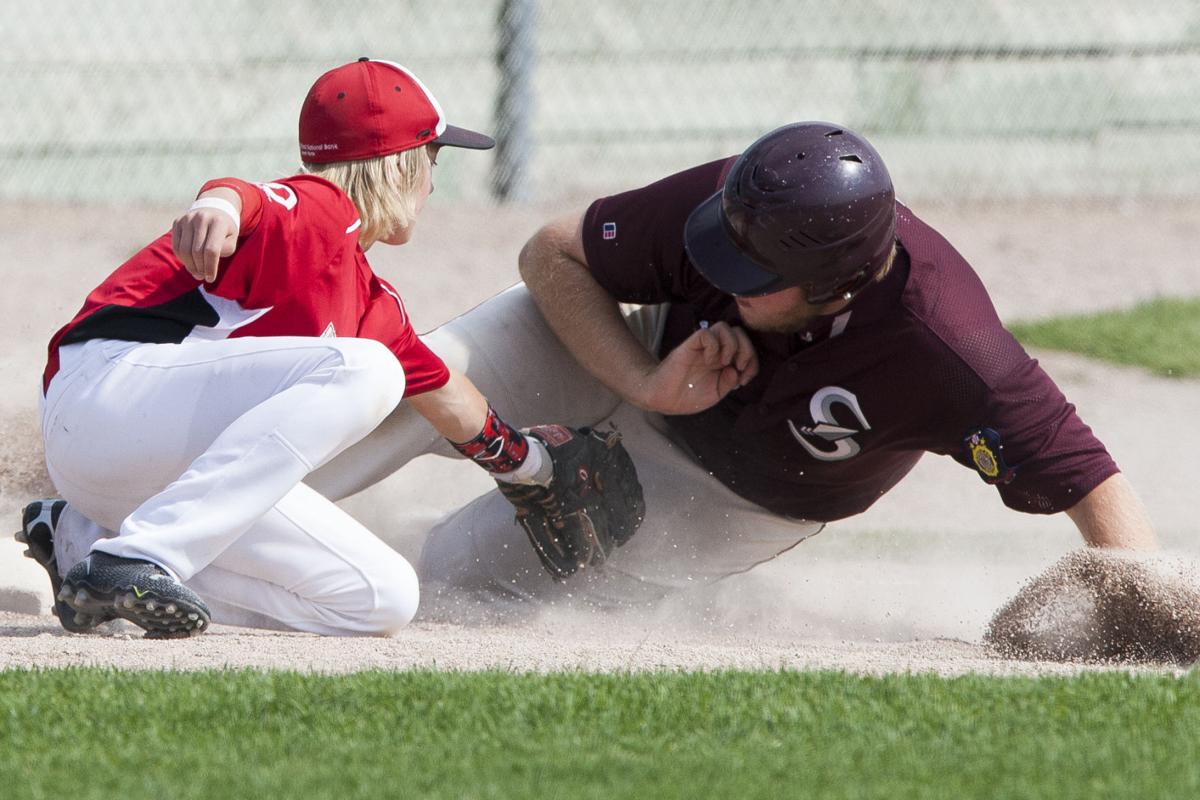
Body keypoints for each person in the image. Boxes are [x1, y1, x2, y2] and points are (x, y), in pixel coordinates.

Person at [301, 120, 1160, 612]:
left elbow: (1091, 480)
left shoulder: (946, 347)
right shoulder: (747, 200)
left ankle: (318, 571)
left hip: (735, 494)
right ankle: (215, 512)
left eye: (751, 278)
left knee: (456, 581)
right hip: (632, 348)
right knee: (416, 379)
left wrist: (1139, 622)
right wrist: (643, 380)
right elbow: (552, 254)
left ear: (838, 285)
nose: (717, 269)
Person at [18, 58, 593, 638]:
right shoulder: (320, 211)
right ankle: (140, 557)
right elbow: (252, 199)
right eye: (432, 157)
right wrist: (216, 205)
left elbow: (447, 395)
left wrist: (532, 465)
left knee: (382, 598)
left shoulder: (372, 301)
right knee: (370, 370)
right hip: (105, 396)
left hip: (151, 475)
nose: (434, 181)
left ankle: (84, 547)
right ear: (396, 165)